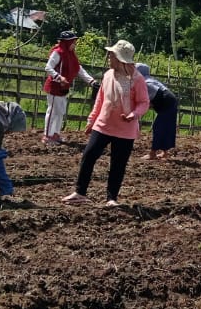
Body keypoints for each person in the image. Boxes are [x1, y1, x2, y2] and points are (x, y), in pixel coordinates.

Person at [63, 40, 149, 207]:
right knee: (89, 156)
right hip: (103, 124)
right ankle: (79, 193)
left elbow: (144, 102)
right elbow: (101, 99)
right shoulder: (108, 74)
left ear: (120, 58)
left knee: (118, 164)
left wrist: (134, 114)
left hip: (125, 130)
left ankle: (111, 198)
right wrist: (92, 119)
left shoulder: (137, 80)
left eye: (112, 54)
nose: (109, 56)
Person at [41, 30, 97, 145]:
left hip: (64, 87)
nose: (74, 44)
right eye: (73, 42)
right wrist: (59, 77)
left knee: (60, 111)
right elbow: (48, 68)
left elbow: (79, 69)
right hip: (54, 87)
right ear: (67, 42)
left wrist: (91, 81)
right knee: (52, 111)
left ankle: (55, 134)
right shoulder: (58, 53)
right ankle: (47, 136)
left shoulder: (71, 55)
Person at [136, 63, 179, 161]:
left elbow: (148, 99)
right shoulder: (150, 80)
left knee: (158, 126)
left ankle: (152, 153)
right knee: (167, 127)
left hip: (167, 102)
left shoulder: (145, 83)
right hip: (170, 100)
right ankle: (165, 153)